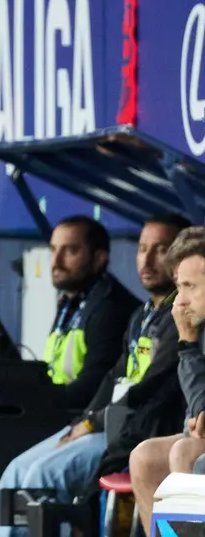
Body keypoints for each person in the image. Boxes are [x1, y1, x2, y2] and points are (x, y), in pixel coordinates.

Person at [0, 215, 188, 537]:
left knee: (41, 475)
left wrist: (90, 421)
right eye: (142, 248)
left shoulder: (174, 318)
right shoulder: (141, 314)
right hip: (104, 423)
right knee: (18, 468)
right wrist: (85, 421)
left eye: (161, 249)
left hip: (136, 431)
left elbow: (149, 386)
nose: (147, 258)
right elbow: (114, 378)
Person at [130, 225, 205, 536]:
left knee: (184, 453)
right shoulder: (197, 327)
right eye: (178, 286)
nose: (179, 301)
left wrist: (187, 344)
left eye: (189, 286)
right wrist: (188, 344)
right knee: (145, 456)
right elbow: (198, 411)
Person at [42, 216, 141, 409]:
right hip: (59, 412)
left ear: (98, 259)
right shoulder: (70, 302)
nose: (56, 261)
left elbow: (93, 385)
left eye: (70, 250)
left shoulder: (110, 307)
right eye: (53, 249)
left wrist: (40, 403)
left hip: (80, 419)